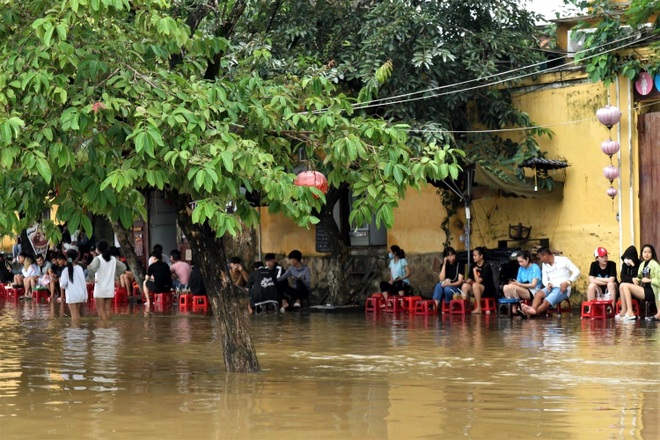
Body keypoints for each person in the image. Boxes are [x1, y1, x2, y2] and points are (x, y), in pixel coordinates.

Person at [521, 247, 580, 318]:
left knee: (546, 301)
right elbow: (544, 278)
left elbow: (577, 271)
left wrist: (568, 282)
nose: (540, 260)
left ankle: (531, 313)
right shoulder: (544, 264)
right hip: (551, 287)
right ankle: (533, 309)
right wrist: (547, 284)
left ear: (545, 256)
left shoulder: (563, 260)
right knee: (538, 293)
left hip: (562, 288)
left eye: (540, 258)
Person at [86, 240, 126, 320]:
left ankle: (104, 328)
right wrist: (115, 275)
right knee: (107, 309)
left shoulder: (98, 259)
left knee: (100, 310)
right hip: (110, 288)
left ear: (98, 249)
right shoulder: (113, 259)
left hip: (100, 288)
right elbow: (123, 267)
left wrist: (91, 279)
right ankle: (109, 329)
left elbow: (90, 269)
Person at [618, 244, 659, 322]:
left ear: (652, 254)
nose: (646, 254)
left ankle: (630, 312)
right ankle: (624, 311)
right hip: (645, 290)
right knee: (622, 285)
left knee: (626, 286)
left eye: (649, 252)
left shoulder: (655, 265)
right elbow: (639, 277)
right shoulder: (643, 264)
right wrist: (635, 279)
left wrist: (649, 280)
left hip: (653, 291)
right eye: (644, 252)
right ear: (642, 253)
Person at [502, 250, 542, 315]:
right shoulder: (521, 268)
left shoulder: (535, 267)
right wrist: (514, 283)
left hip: (534, 291)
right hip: (523, 289)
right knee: (506, 287)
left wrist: (519, 284)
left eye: (521, 261)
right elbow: (518, 282)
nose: (520, 264)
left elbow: (533, 285)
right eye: (518, 262)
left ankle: (517, 308)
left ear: (527, 259)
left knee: (511, 287)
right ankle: (514, 309)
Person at [461, 246, 496, 314]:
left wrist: (474, 271)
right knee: (465, 286)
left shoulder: (486, 266)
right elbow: (470, 278)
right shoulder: (473, 264)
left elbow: (478, 281)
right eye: (473, 255)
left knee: (475, 285)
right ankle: (464, 307)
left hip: (487, 290)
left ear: (481, 256)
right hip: (476, 289)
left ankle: (479, 308)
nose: (473, 257)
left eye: (475, 255)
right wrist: (465, 281)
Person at [59, 249, 87, 325]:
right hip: (80, 294)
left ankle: (75, 332)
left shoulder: (65, 270)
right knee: (77, 314)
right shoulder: (80, 268)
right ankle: (78, 332)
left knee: (74, 316)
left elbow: (63, 284)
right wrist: (85, 295)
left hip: (72, 295)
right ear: (76, 257)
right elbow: (83, 282)